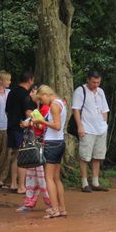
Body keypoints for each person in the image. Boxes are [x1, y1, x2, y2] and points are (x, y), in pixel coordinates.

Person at [31, 85, 67, 219]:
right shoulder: (61, 103)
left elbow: (57, 126)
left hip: (52, 144)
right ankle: (62, 208)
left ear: (46, 94)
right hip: (60, 143)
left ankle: (55, 209)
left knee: (49, 178)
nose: (42, 102)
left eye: (41, 99)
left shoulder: (54, 106)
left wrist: (41, 121)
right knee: (56, 178)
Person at [72, 70, 110, 192]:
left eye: (98, 82)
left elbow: (105, 109)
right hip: (87, 128)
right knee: (85, 156)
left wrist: (105, 124)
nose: (96, 84)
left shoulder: (101, 92)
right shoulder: (80, 91)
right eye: (94, 82)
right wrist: (80, 126)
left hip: (101, 128)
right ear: (88, 79)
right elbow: (76, 110)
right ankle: (84, 183)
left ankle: (95, 181)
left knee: (97, 156)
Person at [17, 95, 52, 213]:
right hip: (34, 147)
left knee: (43, 179)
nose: (32, 93)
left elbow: (44, 127)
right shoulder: (38, 109)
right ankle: (29, 203)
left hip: (41, 147)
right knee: (31, 176)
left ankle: (52, 203)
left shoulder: (46, 109)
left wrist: (31, 123)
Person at [5, 71, 36, 194]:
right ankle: (21, 186)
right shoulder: (26, 94)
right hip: (22, 127)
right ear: (30, 80)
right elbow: (29, 112)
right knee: (23, 156)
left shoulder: (12, 92)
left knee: (16, 156)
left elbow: (7, 110)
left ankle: (14, 183)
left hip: (11, 126)